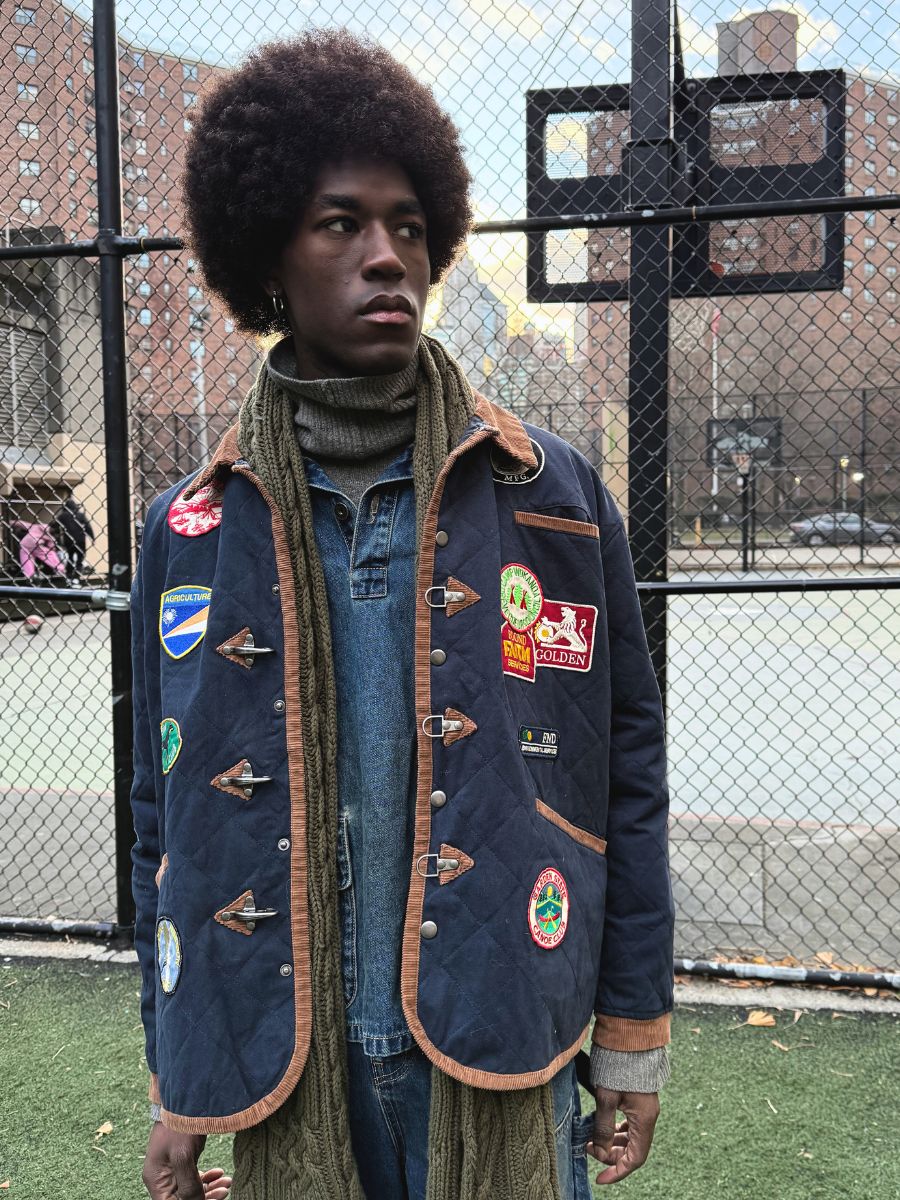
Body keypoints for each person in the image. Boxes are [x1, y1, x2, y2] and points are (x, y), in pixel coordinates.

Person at [130, 29, 675, 1200]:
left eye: (411, 226)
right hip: (288, 1058)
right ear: (267, 253)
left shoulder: (556, 495)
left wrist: (630, 1032)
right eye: (342, 223)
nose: (388, 256)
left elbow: (618, 771)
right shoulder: (190, 527)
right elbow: (161, 817)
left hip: (502, 1037)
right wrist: (181, 1069)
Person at [52, 491, 95, 583]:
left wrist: (56, 535)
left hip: (69, 540)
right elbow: (88, 527)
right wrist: (92, 537)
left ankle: (69, 576)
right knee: (80, 558)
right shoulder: (80, 515)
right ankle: (77, 576)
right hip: (80, 540)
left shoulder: (63, 516)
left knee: (70, 557)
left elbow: (54, 525)